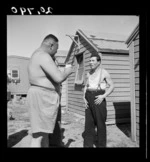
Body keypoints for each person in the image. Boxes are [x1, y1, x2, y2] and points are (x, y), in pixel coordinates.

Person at [27, 34, 73, 147]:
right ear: (51, 45)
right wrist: (68, 70)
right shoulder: (43, 55)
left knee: (44, 135)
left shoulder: (36, 55)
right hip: (41, 97)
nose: (56, 53)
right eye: (56, 50)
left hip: (42, 96)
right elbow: (59, 78)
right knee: (37, 137)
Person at [83, 52, 114, 147]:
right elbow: (85, 86)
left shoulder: (104, 72)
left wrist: (103, 96)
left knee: (100, 124)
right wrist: (83, 98)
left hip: (98, 98)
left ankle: (101, 145)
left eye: (93, 61)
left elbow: (112, 86)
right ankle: (87, 145)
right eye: (89, 61)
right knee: (88, 124)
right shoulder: (89, 73)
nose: (90, 62)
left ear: (99, 62)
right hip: (88, 97)